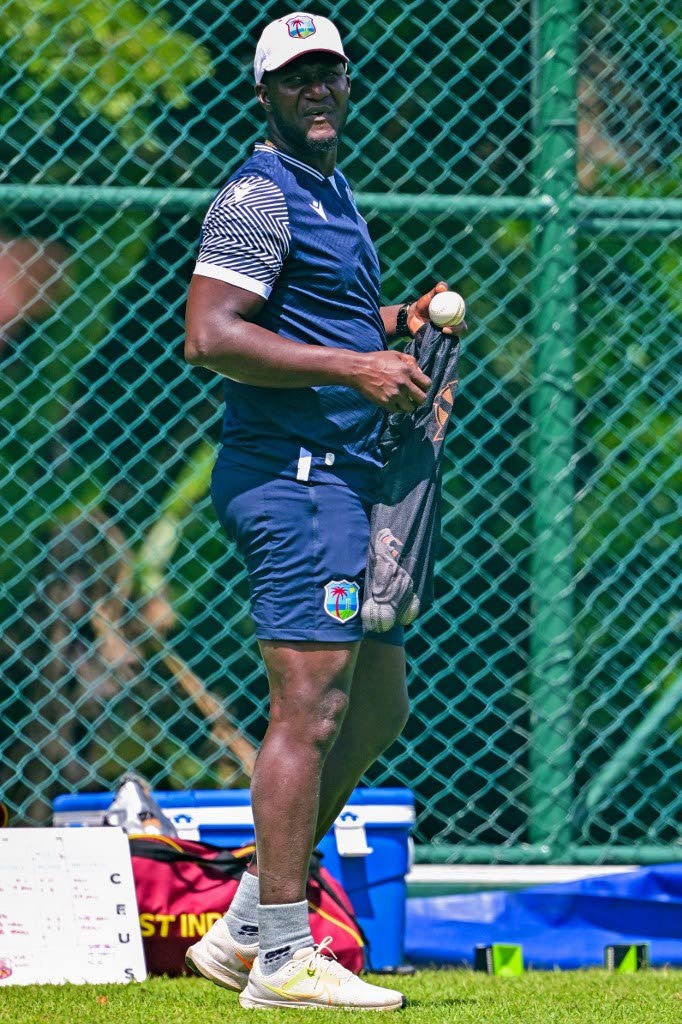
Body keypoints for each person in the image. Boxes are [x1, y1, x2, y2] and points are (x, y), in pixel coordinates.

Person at [184, 11, 464, 1012]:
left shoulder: (330, 189)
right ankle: (282, 960)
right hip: (294, 478)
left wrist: (393, 328)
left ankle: (247, 923)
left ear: (348, 84)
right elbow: (210, 333)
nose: (317, 90)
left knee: (376, 705)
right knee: (310, 710)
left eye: (329, 73)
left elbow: (319, 316)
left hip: (346, 476)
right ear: (262, 92)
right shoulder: (260, 195)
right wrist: (354, 362)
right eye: (296, 76)